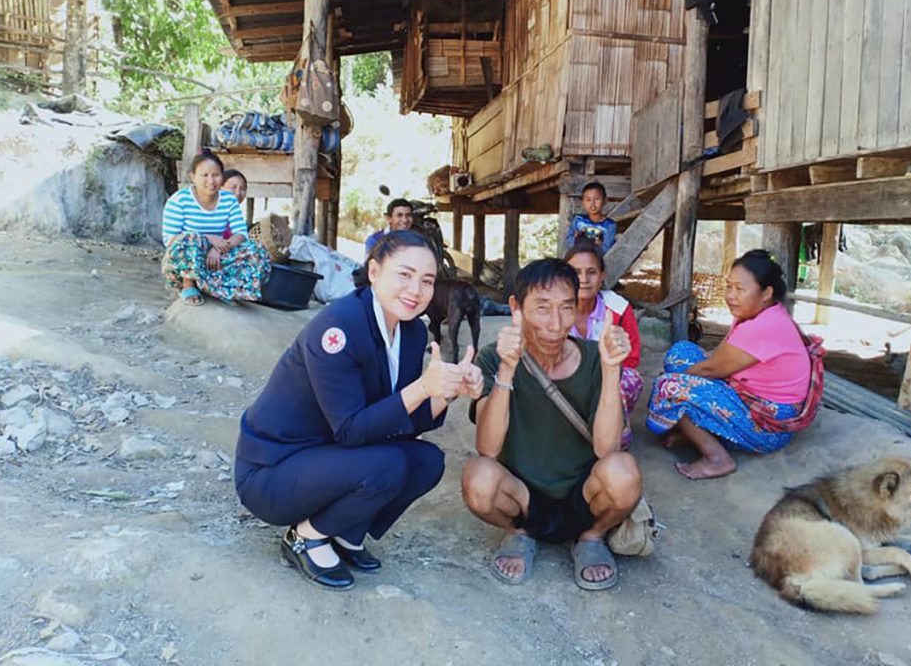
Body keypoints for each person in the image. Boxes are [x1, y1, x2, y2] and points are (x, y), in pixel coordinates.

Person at [235, 231, 484, 591]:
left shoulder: (412, 333)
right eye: (404, 274)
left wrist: (448, 390)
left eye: (427, 280)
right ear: (374, 272)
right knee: (388, 465)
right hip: (273, 471)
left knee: (427, 461)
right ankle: (305, 537)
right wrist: (421, 388)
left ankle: (344, 532)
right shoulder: (339, 327)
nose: (416, 290)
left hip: (330, 457)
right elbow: (352, 430)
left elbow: (400, 421)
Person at [462, 259, 643, 591]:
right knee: (478, 478)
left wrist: (611, 369)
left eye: (566, 308)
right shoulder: (493, 357)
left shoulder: (595, 357)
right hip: (522, 494)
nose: (556, 324)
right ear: (516, 308)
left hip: (584, 494)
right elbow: (487, 448)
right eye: (542, 308)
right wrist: (507, 370)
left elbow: (607, 449)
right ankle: (519, 532)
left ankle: (592, 536)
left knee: (624, 472)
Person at [646, 250, 812, 480]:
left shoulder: (765, 326)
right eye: (729, 286)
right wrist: (682, 374)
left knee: (669, 388)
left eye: (740, 289)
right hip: (749, 398)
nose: (731, 295)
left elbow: (710, 369)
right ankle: (697, 430)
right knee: (680, 353)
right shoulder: (755, 314)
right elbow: (717, 356)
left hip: (769, 425)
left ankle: (717, 458)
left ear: (766, 292)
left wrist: (674, 380)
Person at [161, 151, 270, 306]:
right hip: (184, 263)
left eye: (216, 175)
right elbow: (170, 241)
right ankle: (188, 285)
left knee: (257, 250)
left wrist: (219, 248)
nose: (211, 181)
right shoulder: (179, 201)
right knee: (188, 238)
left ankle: (221, 289)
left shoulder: (229, 200)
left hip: (215, 260)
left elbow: (241, 234)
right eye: (204, 175)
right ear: (193, 177)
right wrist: (208, 238)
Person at [564, 243, 643, 449]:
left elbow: (631, 359)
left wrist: (605, 374)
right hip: (565, 377)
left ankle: (612, 434)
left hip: (608, 378)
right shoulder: (555, 309)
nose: (583, 279)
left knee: (630, 380)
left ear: (602, 276)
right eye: (576, 272)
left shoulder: (618, 308)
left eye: (591, 272)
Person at [565, 181, 617, 254]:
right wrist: (593, 243)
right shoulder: (578, 220)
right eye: (588, 200)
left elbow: (606, 248)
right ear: (583, 202)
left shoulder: (610, 225)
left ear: (605, 200)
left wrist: (581, 240)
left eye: (597, 199)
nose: (592, 204)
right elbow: (568, 240)